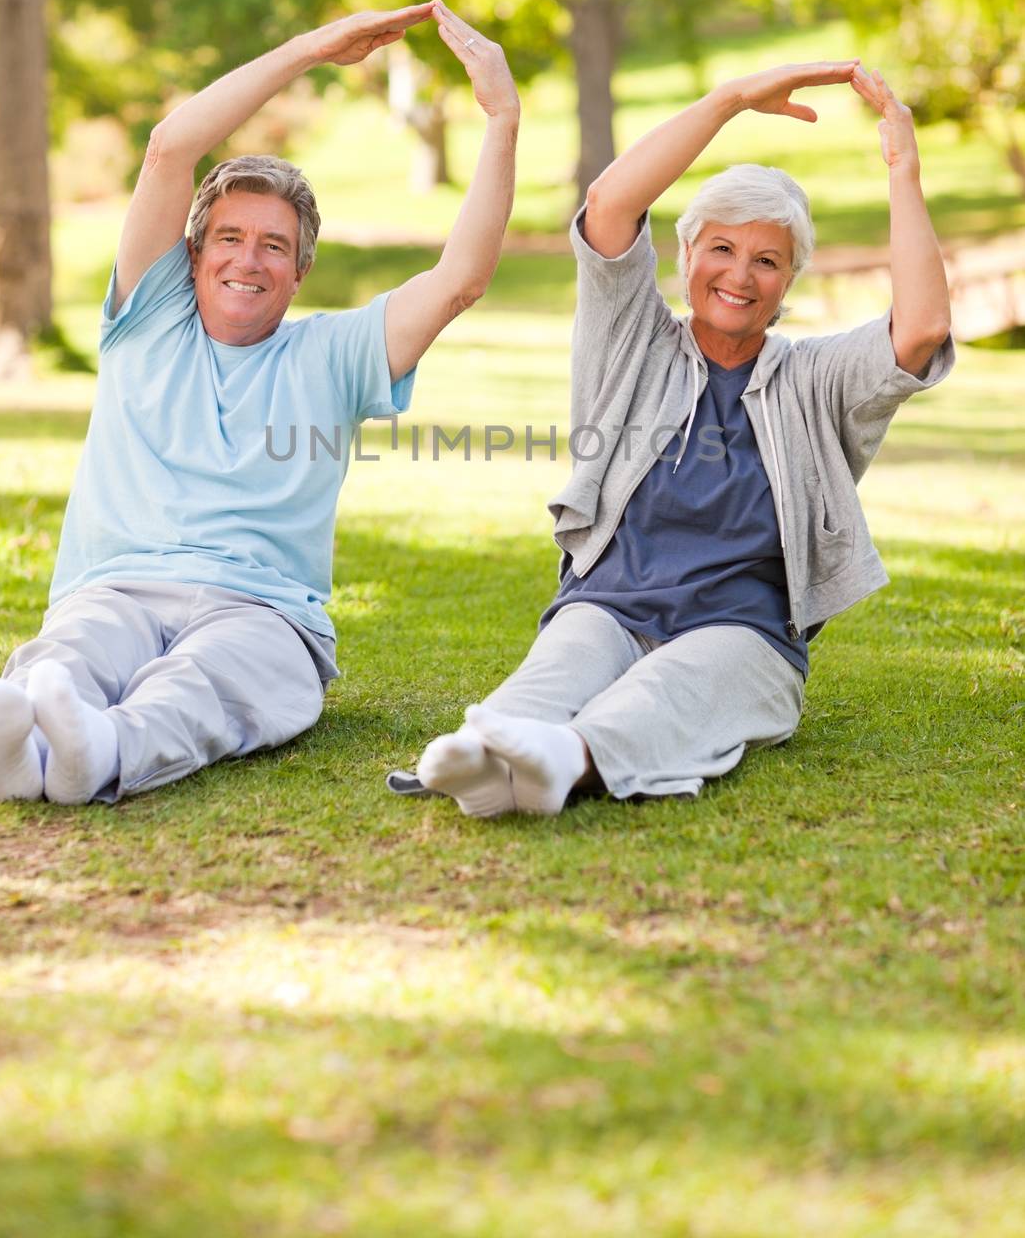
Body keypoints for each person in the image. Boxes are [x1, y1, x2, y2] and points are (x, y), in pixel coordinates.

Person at [0, 0, 520, 804]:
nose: (247, 260)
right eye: (229, 238)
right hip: (117, 584)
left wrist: (500, 118)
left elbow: (460, 276)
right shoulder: (147, 324)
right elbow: (169, 148)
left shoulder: (334, 355)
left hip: (262, 611)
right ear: (191, 256)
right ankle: (25, 752)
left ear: (298, 274)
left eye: (273, 246)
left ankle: (100, 749)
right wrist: (312, 49)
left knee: (203, 680)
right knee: (74, 653)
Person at [405, 60, 954, 817]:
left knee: (669, 692)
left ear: (789, 281)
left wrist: (902, 168)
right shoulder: (631, 338)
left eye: (767, 260)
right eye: (720, 249)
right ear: (686, 256)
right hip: (606, 604)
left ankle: (558, 760)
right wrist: (729, 100)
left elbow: (920, 328)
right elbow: (609, 200)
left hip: (743, 632)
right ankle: (492, 747)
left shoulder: (817, 380)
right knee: (560, 667)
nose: (740, 274)